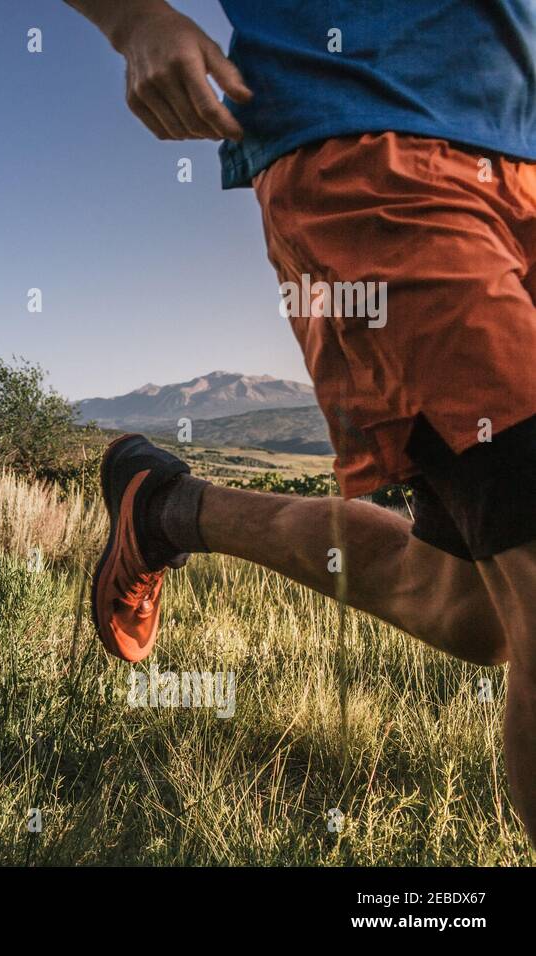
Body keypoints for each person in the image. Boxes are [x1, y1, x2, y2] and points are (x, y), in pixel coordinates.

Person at [66, 0, 536, 845]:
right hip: (376, 142)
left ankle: (165, 507)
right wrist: (131, 19)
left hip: (524, 148)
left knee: (473, 607)